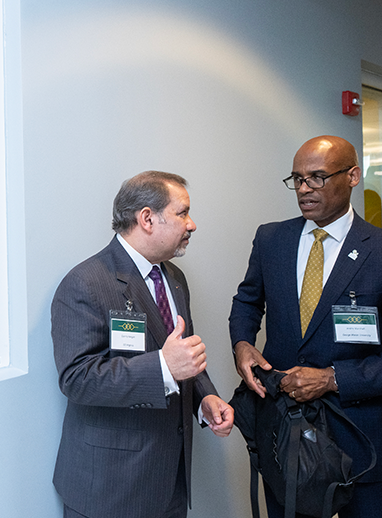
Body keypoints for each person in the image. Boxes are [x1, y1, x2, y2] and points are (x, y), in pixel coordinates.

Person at [229, 135, 382, 518]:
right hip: (286, 434)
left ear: (353, 175)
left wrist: (332, 378)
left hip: (360, 436)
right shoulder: (272, 239)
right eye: (297, 179)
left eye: (317, 177)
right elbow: (246, 301)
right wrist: (242, 344)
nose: (304, 189)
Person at [51, 171, 234, 518]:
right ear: (147, 218)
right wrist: (163, 367)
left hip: (169, 483)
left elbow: (183, 355)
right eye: (183, 213)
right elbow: (77, 379)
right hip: (110, 487)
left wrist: (204, 398)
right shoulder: (85, 283)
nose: (191, 224)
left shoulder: (174, 278)